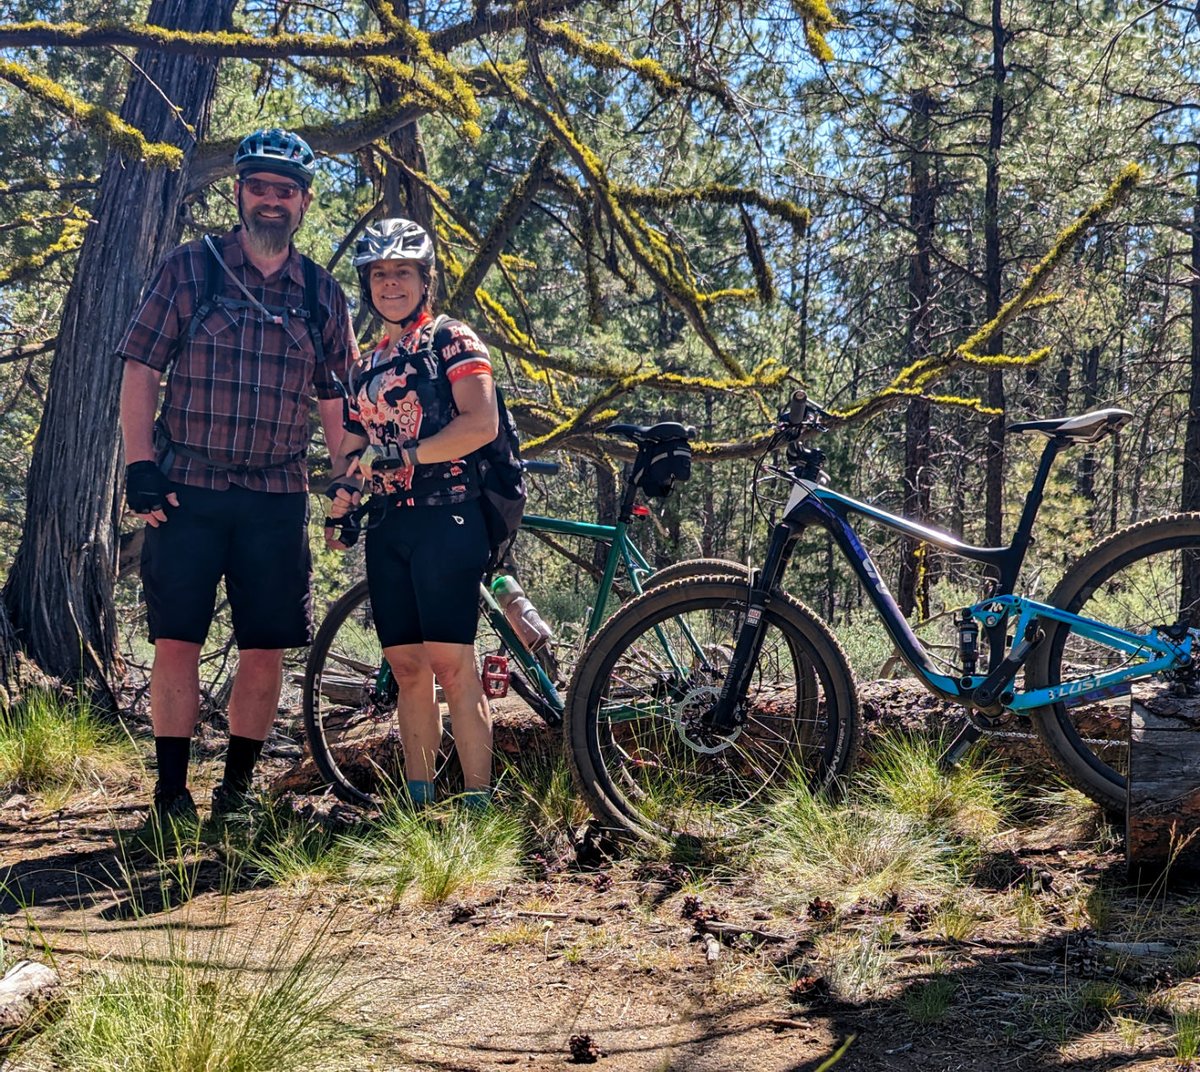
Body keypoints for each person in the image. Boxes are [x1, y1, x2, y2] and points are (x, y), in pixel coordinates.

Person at [117, 127, 359, 837]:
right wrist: (139, 464)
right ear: (239, 192)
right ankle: (168, 794)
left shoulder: (320, 294)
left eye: (286, 191)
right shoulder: (190, 270)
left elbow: (336, 399)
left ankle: (236, 792)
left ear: (305, 203)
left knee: (264, 645)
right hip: (186, 488)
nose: (272, 201)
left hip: (276, 497)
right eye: (260, 187)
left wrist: (346, 483)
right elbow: (141, 367)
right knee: (177, 640)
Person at [325, 217, 499, 809]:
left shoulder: (452, 339)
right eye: (379, 274)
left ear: (424, 279)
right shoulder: (364, 363)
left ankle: (479, 813)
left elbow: (481, 424)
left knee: (453, 667)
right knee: (405, 669)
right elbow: (351, 449)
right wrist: (342, 497)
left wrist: (406, 453)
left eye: (401, 272)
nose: (389, 284)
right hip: (388, 525)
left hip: (449, 515)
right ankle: (419, 810)